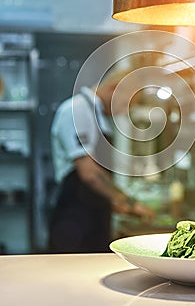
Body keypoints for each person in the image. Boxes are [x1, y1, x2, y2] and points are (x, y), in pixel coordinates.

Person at [48, 67, 154, 253]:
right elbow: (90, 174)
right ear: (114, 89)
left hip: (93, 213)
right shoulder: (78, 109)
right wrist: (129, 203)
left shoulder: (97, 115)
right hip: (75, 217)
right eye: (126, 104)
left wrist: (114, 201)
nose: (123, 112)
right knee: (72, 276)